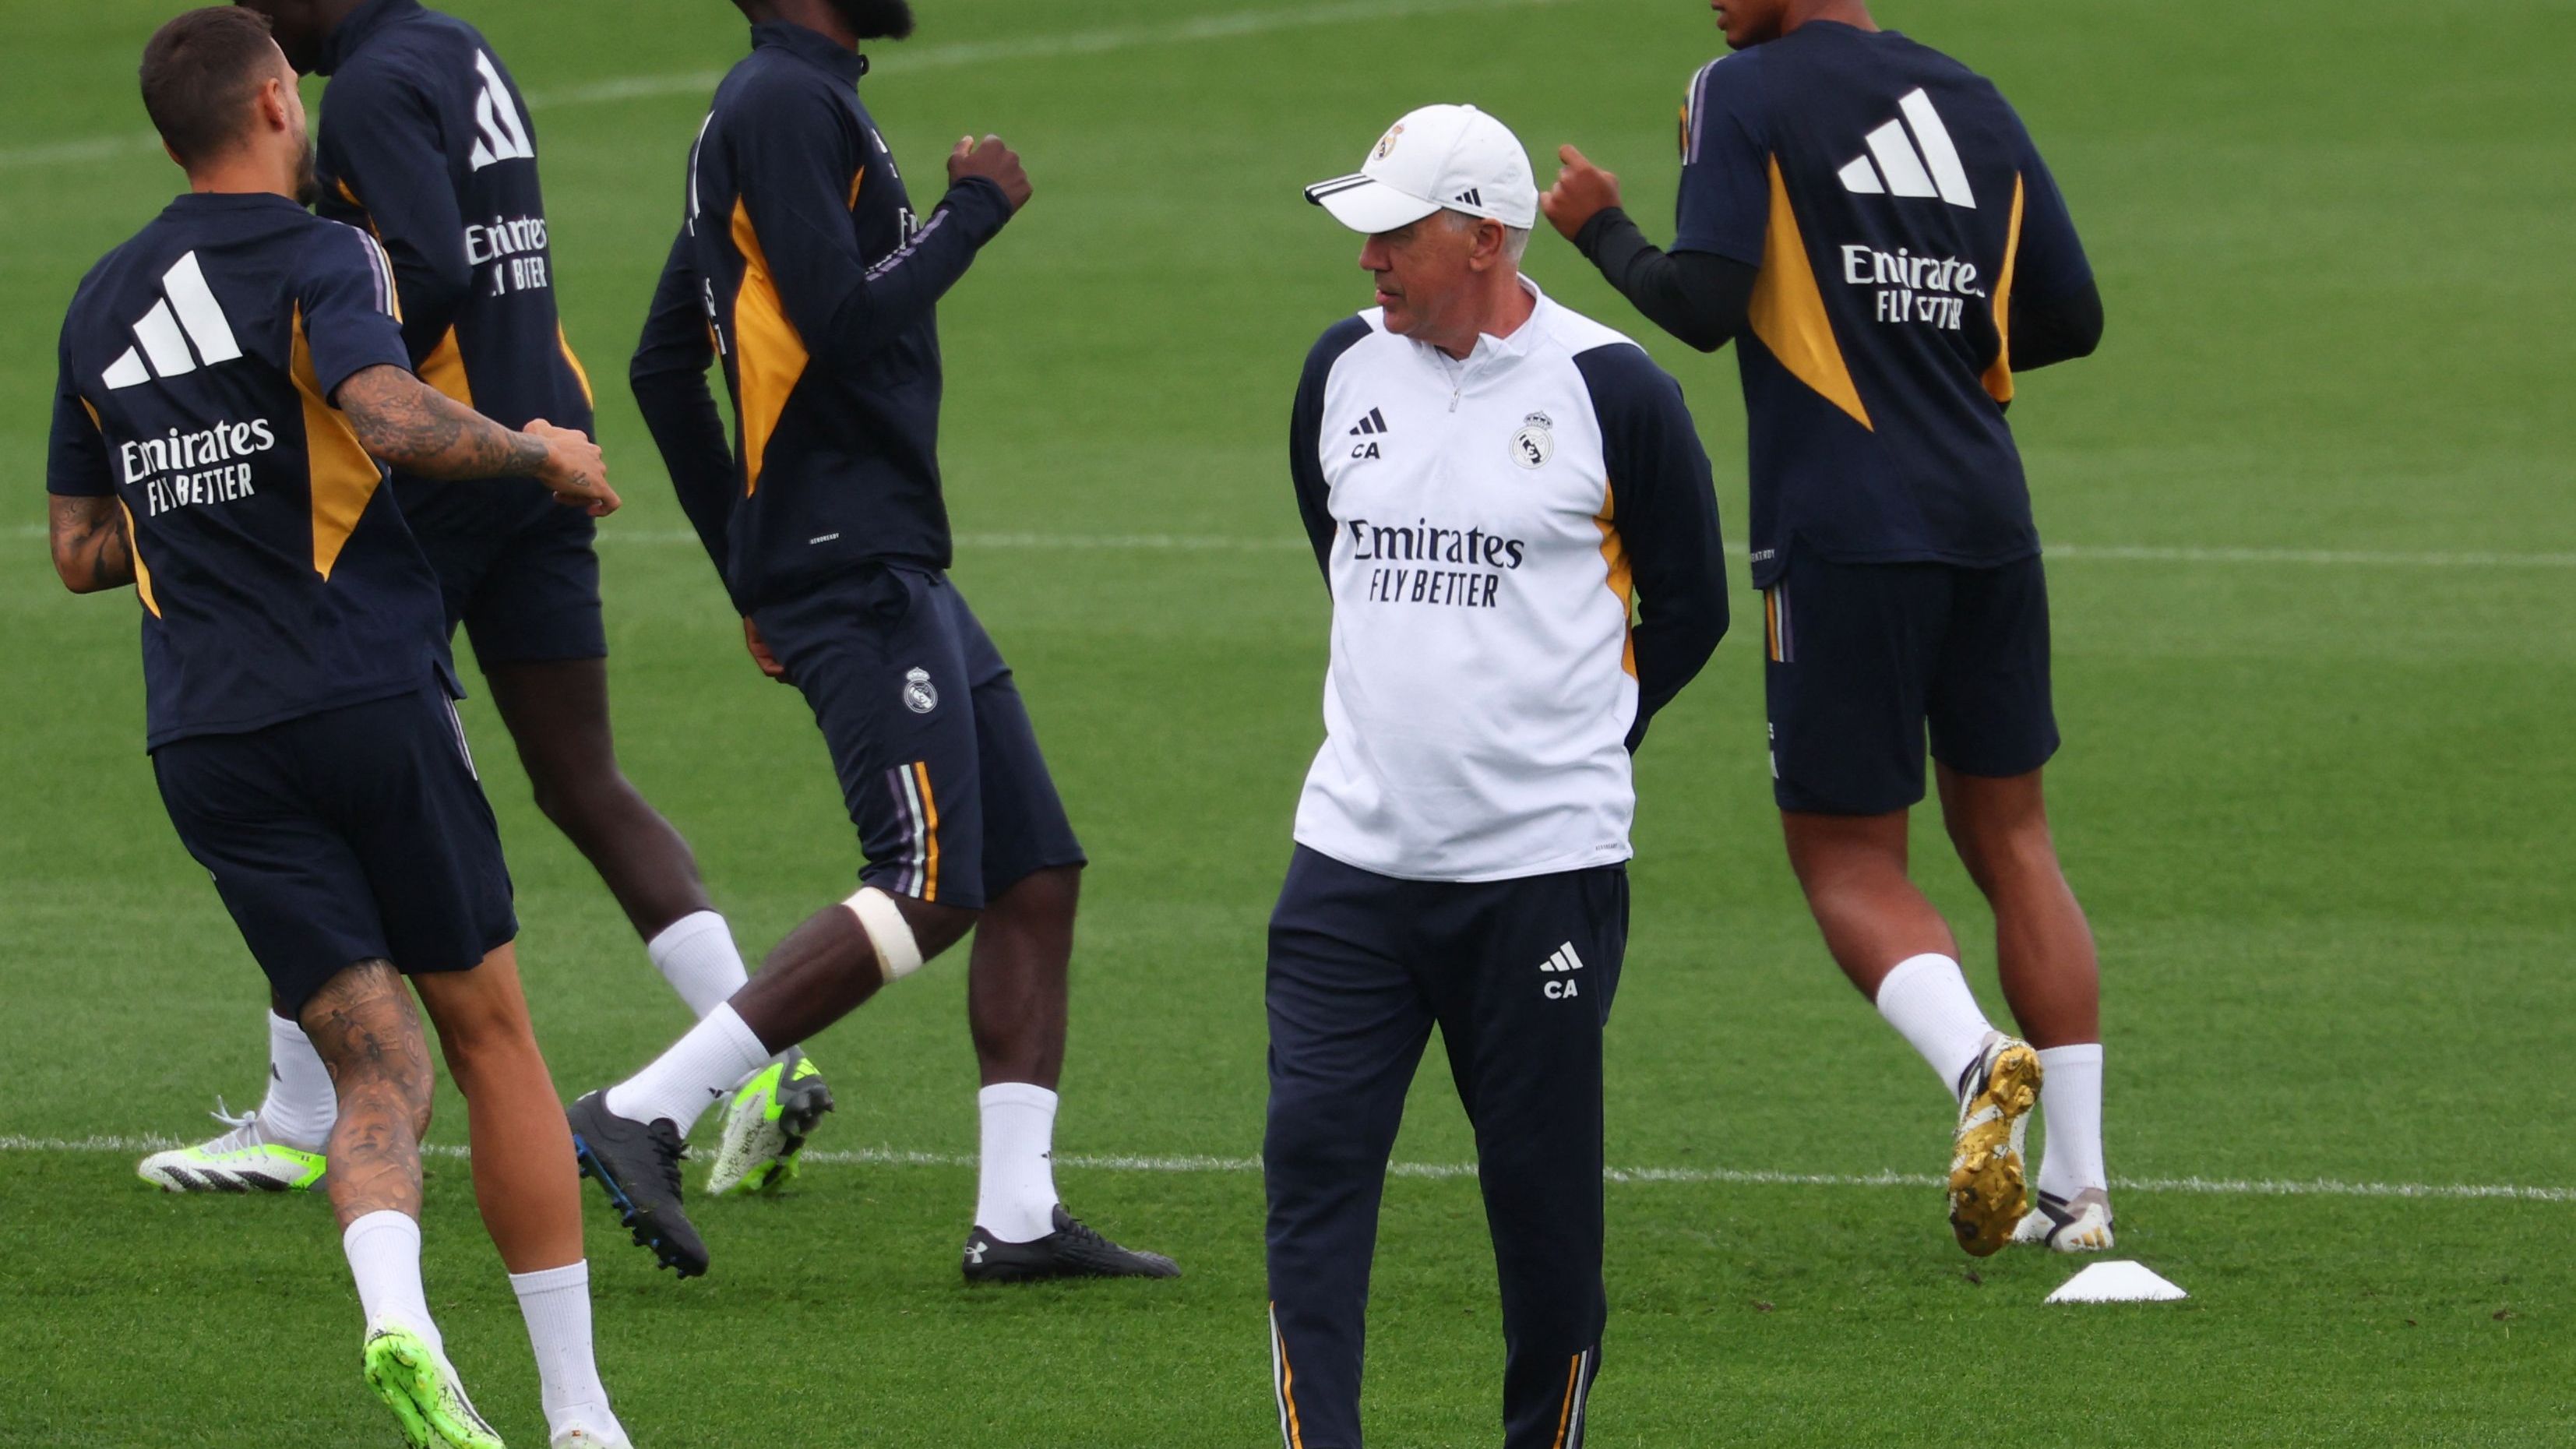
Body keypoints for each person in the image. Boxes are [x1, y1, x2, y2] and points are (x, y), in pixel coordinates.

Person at [134, 0, 830, 1205]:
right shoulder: (455, 45)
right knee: (582, 778)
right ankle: (761, 1054)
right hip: (543, 434)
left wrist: (312, 354)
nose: (259, 23)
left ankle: (299, 1120)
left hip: (448, 464)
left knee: (318, 743)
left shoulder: (367, 88)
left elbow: (433, 266)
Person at [48, 11, 631, 1445]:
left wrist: (198, 498)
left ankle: (400, 1322)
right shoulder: (326, 253)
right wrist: (540, 453)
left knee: (377, 1065)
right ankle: (579, 1416)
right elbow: (389, 415)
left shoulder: (99, 299)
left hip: (207, 741)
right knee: (490, 1037)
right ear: (270, 101)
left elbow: (77, 549)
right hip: (364, 698)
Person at [572, 0, 1176, 1286]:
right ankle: (644, 1110)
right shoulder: (784, 106)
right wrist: (974, 210)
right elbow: (841, 321)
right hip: (849, 556)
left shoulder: (777, 105)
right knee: (928, 876)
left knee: (1031, 871)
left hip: (870, 551)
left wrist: (747, 562)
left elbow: (664, 365)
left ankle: (1018, 1218)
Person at [1539, 0, 2112, 1254]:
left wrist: (1599, 230)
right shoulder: (1973, 96)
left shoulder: (1741, 90)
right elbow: (2071, 317)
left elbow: (1703, 299)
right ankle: (2081, 1195)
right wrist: (1925, 339)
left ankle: (1976, 1062)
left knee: (1847, 859)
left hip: (1845, 528)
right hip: (1989, 514)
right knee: (2015, 839)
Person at [1269, 104, 1728, 1449]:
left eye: (1394, 234)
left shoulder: (1616, 391)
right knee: (1311, 1172)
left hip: (1541, 880)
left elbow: (1691, 610)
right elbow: (1341, 555)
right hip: (1348, 869)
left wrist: (1574, 741)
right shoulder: (1339, 368)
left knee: (1542, 1215)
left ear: (1483, 238)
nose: (1368, 259)